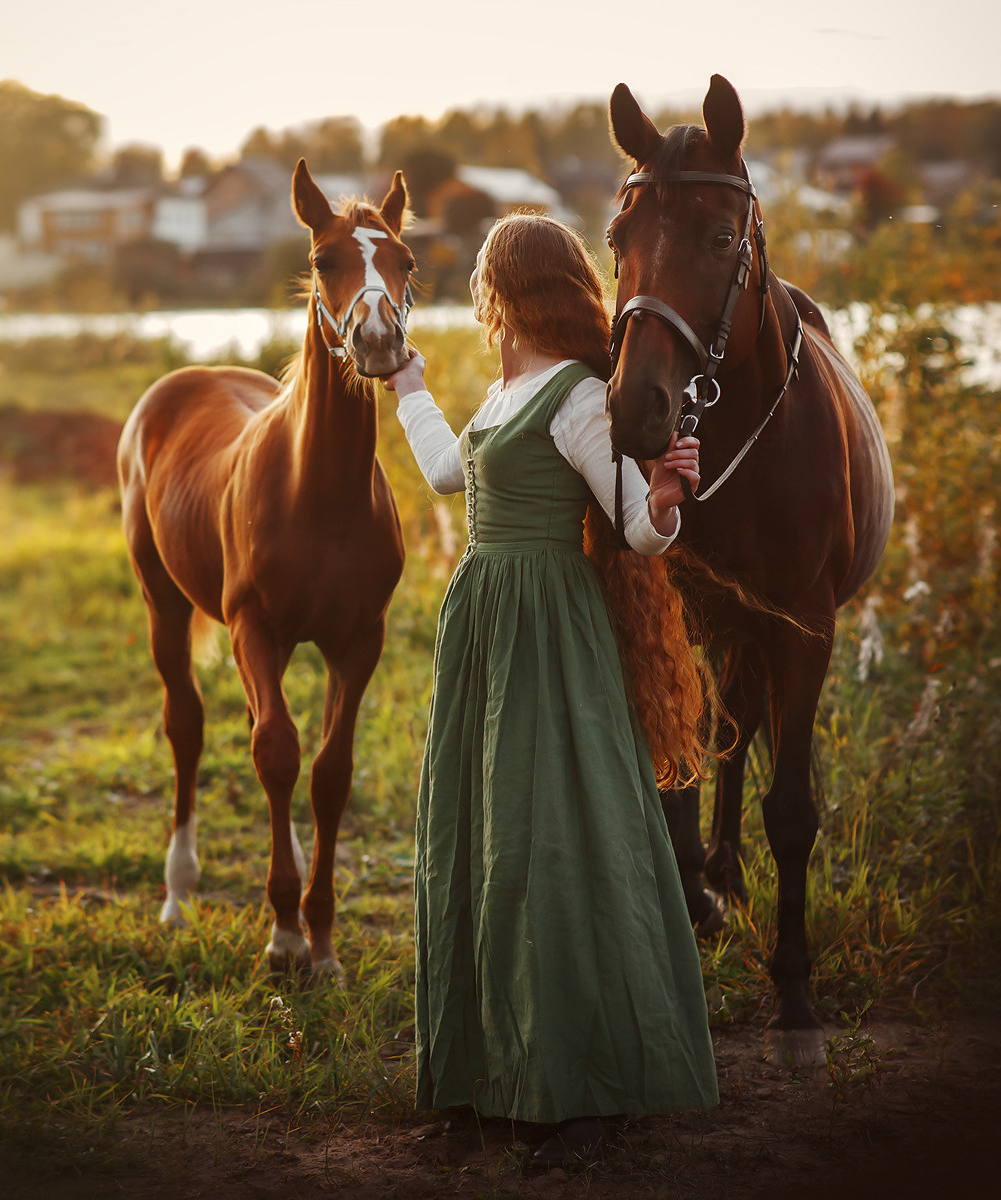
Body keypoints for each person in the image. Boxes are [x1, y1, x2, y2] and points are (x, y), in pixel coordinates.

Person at [383, 213, 720, 1170]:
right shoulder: (502, 389)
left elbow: (634, 530)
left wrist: (662, 501)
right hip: (486, 621)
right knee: (484, 837)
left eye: (487, 281)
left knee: (551, 840)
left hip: (546, 628)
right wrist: (407, 385)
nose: (481, 297)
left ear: (508, 286)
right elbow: (452, 475)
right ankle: (495, 1071)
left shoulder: (575, 394)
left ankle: (577, 1088)